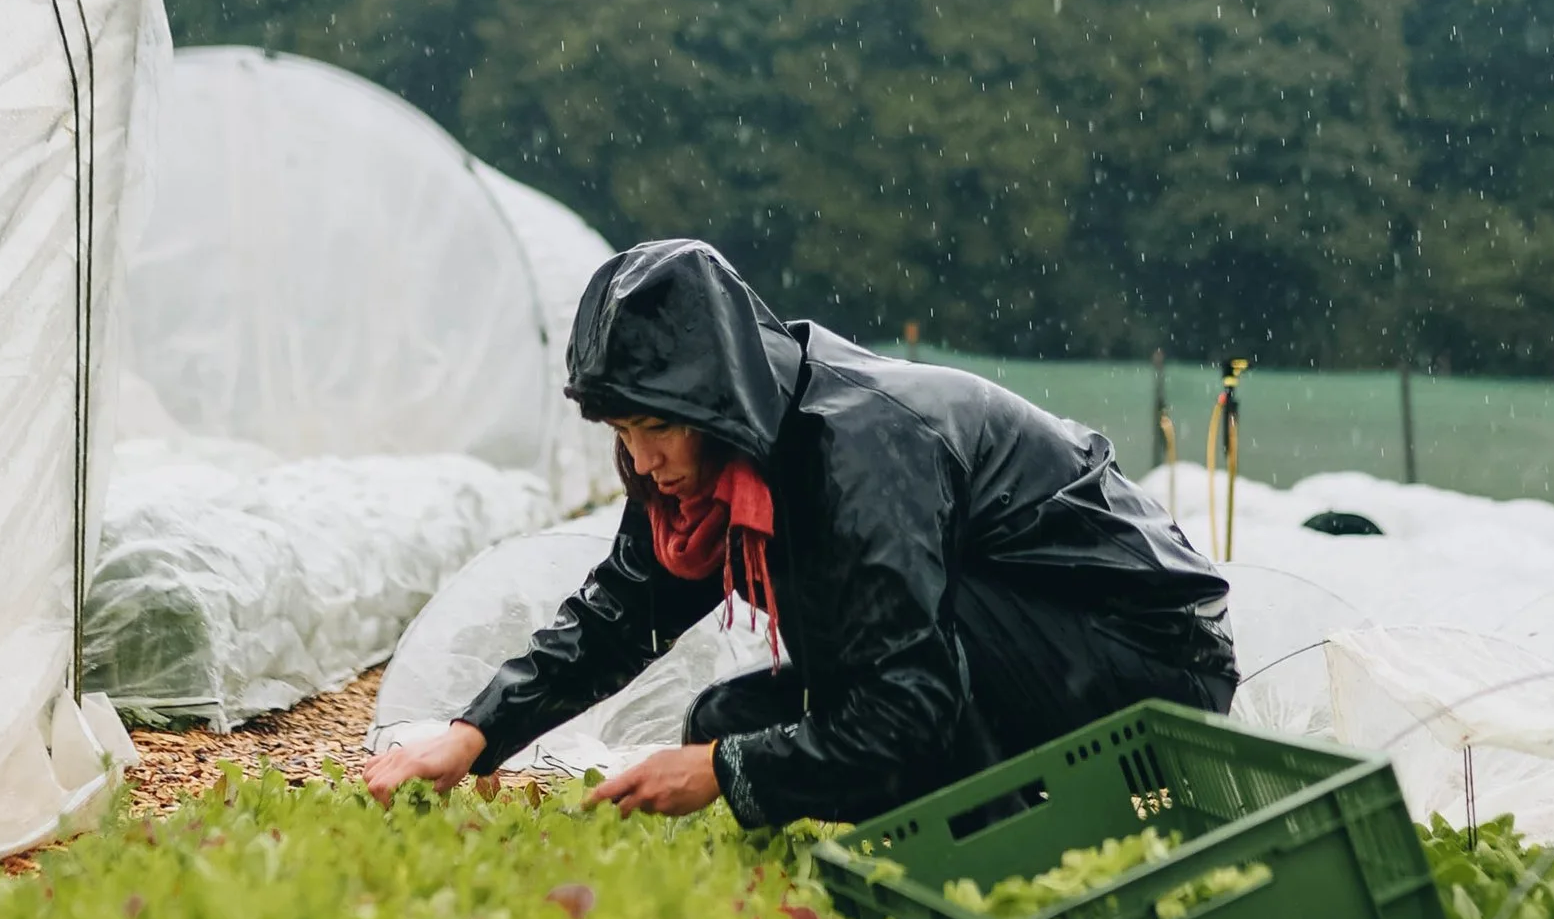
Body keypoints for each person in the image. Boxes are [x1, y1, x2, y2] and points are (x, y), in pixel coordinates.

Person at [362, 237, 1236, 826]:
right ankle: (933, 822)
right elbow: (624, 610)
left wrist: (726, 775)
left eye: (657, 429)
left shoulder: (864, 446)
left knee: (835, 714)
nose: (645, 459)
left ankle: (986, 844)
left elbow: (909, 702)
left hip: (1144, 655)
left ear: (712, 398)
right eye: (622, 434)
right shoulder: (713, 454)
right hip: (1021, 648)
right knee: (722, 717)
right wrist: (472, 733)